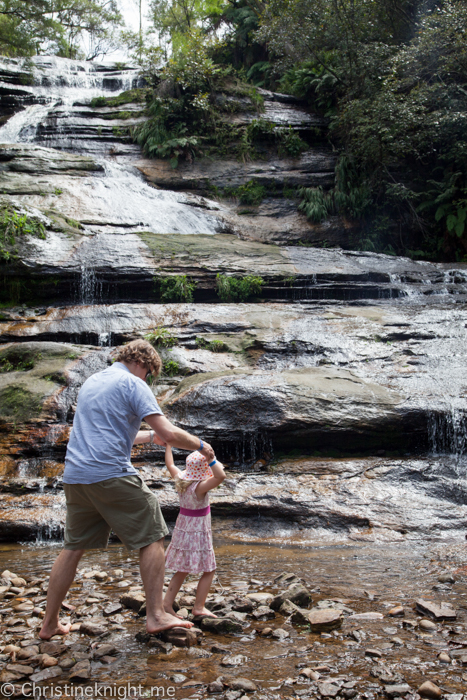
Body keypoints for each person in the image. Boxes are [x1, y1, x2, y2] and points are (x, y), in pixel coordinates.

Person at [39, 339, 215, 640]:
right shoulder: (133, 384)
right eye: (149, 375)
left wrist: (149, 438)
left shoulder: (93, 381)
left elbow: (116, 432)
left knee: (73, 547)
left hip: (76, 477)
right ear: (143, 365)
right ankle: (157, 614)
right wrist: (201, 445)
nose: (146, 379)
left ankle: (49, 624)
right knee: (153, 533)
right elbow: (169, 432)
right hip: (109, 473)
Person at [163, 446, 225, 618]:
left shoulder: (180, 479)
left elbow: (170, 463)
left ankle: (167, 604)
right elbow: (221, 476)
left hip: (183, 528)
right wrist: (211, 459)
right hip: (197, 530)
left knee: (182, 568)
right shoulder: (200, 487)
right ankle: (199, 607)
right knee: (209, 568)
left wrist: (168, 445)